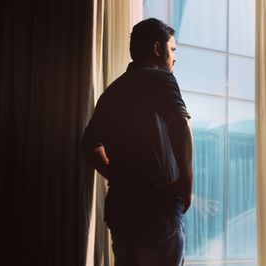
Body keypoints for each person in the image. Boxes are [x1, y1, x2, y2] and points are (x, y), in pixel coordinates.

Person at [82, 18, 193, 266]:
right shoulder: (161, 79)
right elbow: (180, 124)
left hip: (121, 209)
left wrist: (117, 174)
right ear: (157, 48)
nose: (174, 58)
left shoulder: (113, 91)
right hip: (157, 207)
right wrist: (186, 180)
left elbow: (90, 144)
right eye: (172, 50)